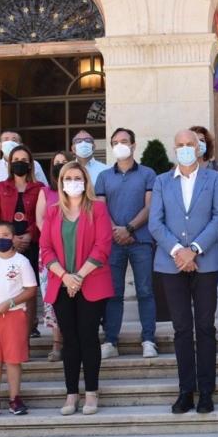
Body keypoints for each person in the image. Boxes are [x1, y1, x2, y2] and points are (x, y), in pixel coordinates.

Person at [149, 130, 218, 414]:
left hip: (205, 261)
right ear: (174, 148)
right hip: (171, 264)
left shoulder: (214, 179)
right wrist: (178, 252)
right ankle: (186, 390)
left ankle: (206, 389)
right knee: (181, 328)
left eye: (189, 145)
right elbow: (155, 223)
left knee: (205, 326)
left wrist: (193, 249)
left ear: (199, 148)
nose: (184, 149)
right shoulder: (161, 181)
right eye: (179, 145)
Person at [41, 162, 114, 416]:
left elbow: (102, 246)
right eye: (68, 178)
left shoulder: (99, 209)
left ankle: (91, 393)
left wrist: (78, 277)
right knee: (70, 341)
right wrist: (65, 277)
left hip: (91, 282)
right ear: (61, 183)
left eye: (77, 177)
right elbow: (46, 249)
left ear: (86, 181)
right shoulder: (52, 212)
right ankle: (71, 393)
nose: (73, 182)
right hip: (61, 284)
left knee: (88, 337)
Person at [96, 127, 159, 360]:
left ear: (133, 145)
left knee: (145, 291)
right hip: (113, 243)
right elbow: (101, 208)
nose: (120, 145)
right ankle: (111, 340)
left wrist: (129, 229)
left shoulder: (148, 174)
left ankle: (149, 339)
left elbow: (150, 206)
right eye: (115, 142)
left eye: (124, 141)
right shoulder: (103, 176)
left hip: (140, 240)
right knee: (113, 293)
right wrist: (116, 231)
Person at [0, 221, 38, 417]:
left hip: (14, 315)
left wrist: (10, 303)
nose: (0, 238)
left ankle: (14, 398)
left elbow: (31, 289)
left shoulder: (21, 262)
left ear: (13, 238)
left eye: (5, 235)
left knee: (13, 360)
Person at [0, 144, 44, 337]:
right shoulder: (0, 187)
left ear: (30, 165)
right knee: (8, 284)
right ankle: (8, 327)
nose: (20, 164)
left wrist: (29, 235)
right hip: (6, 246)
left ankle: (29, 329)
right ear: (10, 164)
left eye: (24, 161)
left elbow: (43, 217)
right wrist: (10, 238)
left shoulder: (39, 188)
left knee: (30, 287)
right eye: (16, 160)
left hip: (32, 243)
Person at [35, 151, 69, 361]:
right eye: (57, 163)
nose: (60, 166)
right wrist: (53, 240)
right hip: (49, 251)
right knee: (53, 297)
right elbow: (40, 220)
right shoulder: (45, 192)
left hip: (75, 250)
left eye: (64, 163)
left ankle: (73, 340)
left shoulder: (78, 192)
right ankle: (57, 342)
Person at [0, 130, 49, 202]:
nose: (10, 142)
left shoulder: (34, 165)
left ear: (20, 145)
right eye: (6, 139)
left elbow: (45, 192)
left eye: (14, 140)